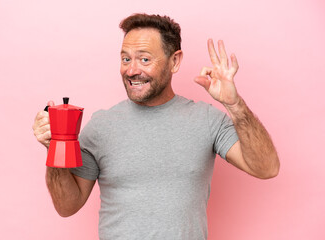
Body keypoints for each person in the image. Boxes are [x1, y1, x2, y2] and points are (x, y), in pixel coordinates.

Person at [32, 13, 279, 240]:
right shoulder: (100, 126)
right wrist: (54, 148)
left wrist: (233, 104)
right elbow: (66, 206)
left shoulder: (207, 120)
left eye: (145, 59)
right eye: (125, 58)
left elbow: (266, 168)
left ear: (175, 61)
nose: (131, 70)